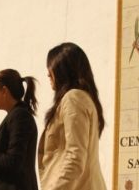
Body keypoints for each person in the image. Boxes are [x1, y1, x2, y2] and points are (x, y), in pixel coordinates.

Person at [38, 42, 106, 190]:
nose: (48, 73)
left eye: (51, 67)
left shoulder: (73, 98)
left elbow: (75, 157)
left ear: (63, 69)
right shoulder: (81, 98)